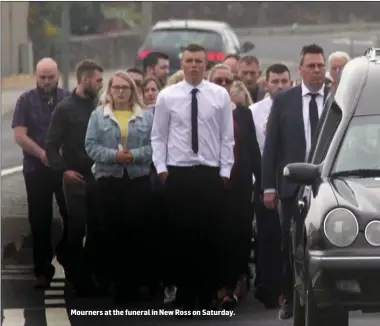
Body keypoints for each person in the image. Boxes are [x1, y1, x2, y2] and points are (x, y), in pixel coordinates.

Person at [151, 43, 234, 315]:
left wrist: (224, 171)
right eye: (189, 60)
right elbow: (158, 136)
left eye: (199, 61)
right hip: (178, 172)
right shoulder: (167, 96)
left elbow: (226, 137)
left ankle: (206, 295)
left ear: (206, 65)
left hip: (209, 173)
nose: (195, 65)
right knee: (181, 235)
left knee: (210, 235)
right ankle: (185, 295)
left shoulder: (220, 95)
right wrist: (162, 168)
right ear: (182, 64)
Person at [262, 44, 329, 320]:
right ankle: (290, 296)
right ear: (300, 69)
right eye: (311, 66)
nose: (317, 71)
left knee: (323, 242)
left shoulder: (336, 99)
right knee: (289, 244)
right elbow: (272, 147)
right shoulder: (284, 100)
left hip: (327, 184)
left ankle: (324, 295)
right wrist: (268, 186)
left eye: (320, 66)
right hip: (292, 185)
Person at [85, 70, 154, 305]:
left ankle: (134, 284)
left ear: (132, 91)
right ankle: (116, 285)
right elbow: (91, 146)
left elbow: (154, 146)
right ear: (110, 91)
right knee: (112, 231)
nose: (121, 92)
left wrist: (132, 156)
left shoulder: (146, 117)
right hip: (109, 180)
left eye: (126, 88)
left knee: (136, 231)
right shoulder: (98, 116)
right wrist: (115, 156)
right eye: (117, 88)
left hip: (137, 179)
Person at [45, 59, 105, 297]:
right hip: (75, 176)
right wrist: (63, 171)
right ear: (85, 79)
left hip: (99, 176)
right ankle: (76, 278)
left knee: (99, 227)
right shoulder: (64, 109)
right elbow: (51, 146)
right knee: (77, 227)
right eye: (98, 80)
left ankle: (91, 273)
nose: (101, 85)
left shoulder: (99, 106)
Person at [12, 57, 69, 289]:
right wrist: (42, 153)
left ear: (58, 76)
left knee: (73, 216)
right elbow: (20, 135)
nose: (46, 82)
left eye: (51, 77)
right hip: (36, 168)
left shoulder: (68, 99)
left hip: (64, 167)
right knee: (39, 220)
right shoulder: (25, 100)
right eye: (42, 77)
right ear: (36, 76)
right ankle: (42, 270)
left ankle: (68, 257)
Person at [208, 64, 261, 309]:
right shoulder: (203, 112)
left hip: (239, 186)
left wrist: (259, 184)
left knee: (238, 236)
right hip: (210, 184)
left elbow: (252, 151)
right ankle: (216, 286)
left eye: (227, 82)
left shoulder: (242, 113)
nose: (223, 86)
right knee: (214, 236)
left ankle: (231, 286)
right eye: (218, 81)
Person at [250, 63, 292, 309]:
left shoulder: (294, 108)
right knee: (267, 236)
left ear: (290, 82)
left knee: (287, 236)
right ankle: (269, 287)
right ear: (266, 83)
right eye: (275, 81)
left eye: (283, 81)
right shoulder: (255, 111)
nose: (279, 85)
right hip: (263, 179)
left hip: (289, 179)